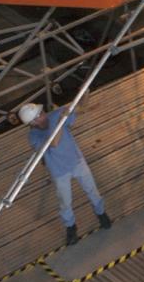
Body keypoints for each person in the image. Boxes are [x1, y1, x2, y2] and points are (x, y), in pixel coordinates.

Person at [18, 102, 110, 246]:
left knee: (92, 190)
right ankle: (70, 227)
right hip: (59, 172)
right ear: (32, 123)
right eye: (38, 116)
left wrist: (82, 99)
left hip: (77, 161)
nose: (43, 116)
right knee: (65, 203)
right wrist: (61, 120)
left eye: (41, 112)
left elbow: (79, 108)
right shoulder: (33, 137)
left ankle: (101, 213)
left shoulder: (55, 115)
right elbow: (53, 143)